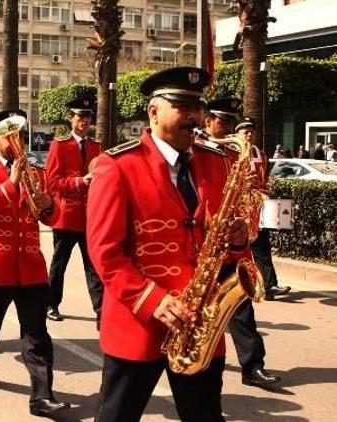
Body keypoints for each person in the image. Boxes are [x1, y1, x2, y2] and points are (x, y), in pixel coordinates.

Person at [87, 67, 251, 421]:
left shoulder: (218, 163)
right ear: (153, 111)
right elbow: (105, 252)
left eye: (197, 106)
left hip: (201, 326)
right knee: (117, 416)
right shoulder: (116, 165)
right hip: (139, 323)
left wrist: (238, 242)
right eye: (181, 105)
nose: (193, 116)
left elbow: (226, 240)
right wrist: (153, 300)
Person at [0, 110, 70, 417]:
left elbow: (51, 215)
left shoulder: (36, 171)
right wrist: (10, 183)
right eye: (9, 135)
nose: (16, 140)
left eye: (19, 134)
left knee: (37, 334)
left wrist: (49, 206)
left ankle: (41, 396)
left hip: (31, 266)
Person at [202, 103, 282, 388]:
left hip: (232, 242)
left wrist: (252, 188)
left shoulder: (236, 153)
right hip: (202, 241)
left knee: (242, 306)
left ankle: (253, 366)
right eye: (224, 123)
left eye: (230, 124)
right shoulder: (195, 150)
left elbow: (241, 194)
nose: (228, 130)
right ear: (208, 121)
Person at [45, 96, 104, 324]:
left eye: (88, 116)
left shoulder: (97, 147)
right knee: (59, 265)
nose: (84, 121)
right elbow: (53, 183)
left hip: (90, 217)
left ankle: (101, 311)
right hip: (66, 216)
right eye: (80, 116)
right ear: (71, 119)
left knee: (94, 266)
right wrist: (80, 182)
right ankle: (51, 304)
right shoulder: (59, 145)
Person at [233, 118, 292, 302]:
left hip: (257, 209)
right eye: (245, 132)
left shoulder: (261, 154)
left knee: (263, 248)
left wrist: (267, 187)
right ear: (237, 134)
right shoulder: (231, 153)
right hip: (238, 210)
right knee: (237, 251)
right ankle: (239, 287)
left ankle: (269, 286)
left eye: (251, 131)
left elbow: (265, 178)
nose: (249, 135)